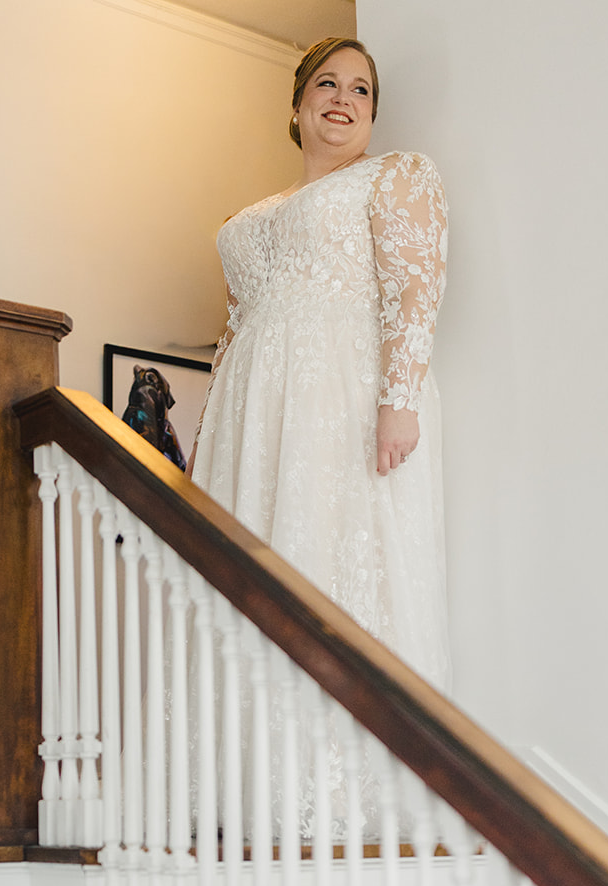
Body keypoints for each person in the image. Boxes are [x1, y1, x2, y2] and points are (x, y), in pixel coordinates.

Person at [191, 36, 451, 694]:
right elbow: (234, 329)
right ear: (298, 102)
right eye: (327, 84)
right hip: (252, 407)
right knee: (251, 562)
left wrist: (400, 399)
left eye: (360, 89)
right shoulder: (251, 215)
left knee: (331, 550)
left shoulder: (393, 174)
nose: (343, 98)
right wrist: (203, 440)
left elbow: (413, 288)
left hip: (338, 391)